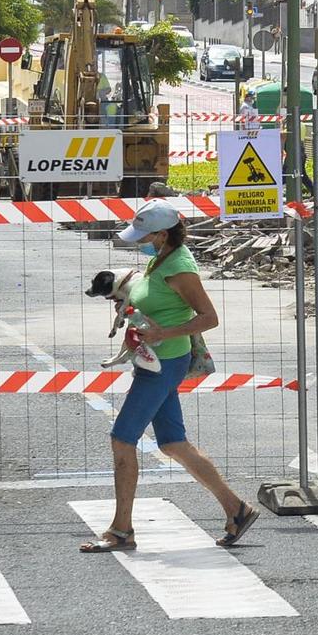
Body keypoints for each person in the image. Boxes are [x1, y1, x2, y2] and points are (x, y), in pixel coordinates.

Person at [80, 201, 259, 554]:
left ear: (162, 235)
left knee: (122, 439)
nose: (138, 242)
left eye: (144, 236)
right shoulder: (160, 258)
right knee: (173, 443)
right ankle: (236, 509)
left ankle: (121, 530)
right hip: (157, 361)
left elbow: (209, 317)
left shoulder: (178, 267)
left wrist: (163, 334)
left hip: (163, 363)